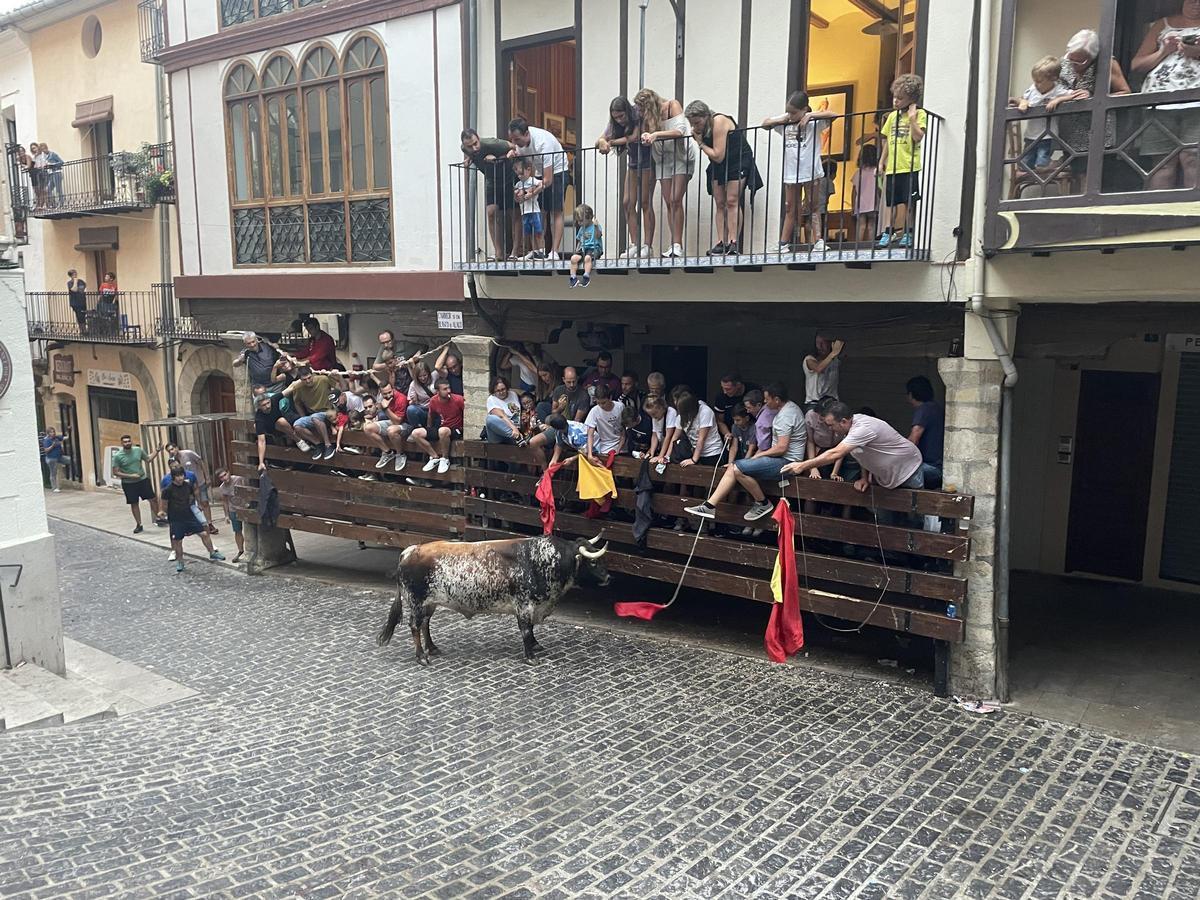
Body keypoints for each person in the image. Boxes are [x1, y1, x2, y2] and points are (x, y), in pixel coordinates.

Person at [685, 383, 807, 521]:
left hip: (787, 462)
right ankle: (710, 506)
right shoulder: (789, 406)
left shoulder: (786, 416)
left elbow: (781, 448)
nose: (765, 403)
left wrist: (758, 456)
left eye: (767, 399)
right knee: (735, 468)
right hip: (781, 458)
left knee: (737, 467)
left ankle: (762, 503)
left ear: (777, 400)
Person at [784, 401, 925, 503]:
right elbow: (862, 453)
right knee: (884, 517)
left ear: (843, 421)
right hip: (886, 477)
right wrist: (864, 477)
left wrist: (802, 465)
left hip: (908, 469)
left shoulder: (862, 428)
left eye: (831, 425)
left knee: (916, 512)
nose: (830, 429)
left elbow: (835, 454)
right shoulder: (849, 429)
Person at [1130, 1, 1200, 191]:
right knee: (1162, 162)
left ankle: (1192, 213)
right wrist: (1164, 51)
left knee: (1193, 157)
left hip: (1196, 102)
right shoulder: (1163, 24)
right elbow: (1136, 64)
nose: (1196, 3)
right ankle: (1157, 215)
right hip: (1159, 102)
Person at [1054, 29, 1132, 186]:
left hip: (1097, 131)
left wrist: (1094, 98)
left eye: (1080, 62)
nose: (1074, 65)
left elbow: (1125, 92)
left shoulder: (1106, 64)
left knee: (1095, 179)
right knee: (1077, 176)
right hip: (1070, 132)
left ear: (1092, 57)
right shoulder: (1062, 63)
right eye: (1071, 59)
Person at [763, 91, 838, 253]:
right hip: (791, 173)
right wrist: (781, 119)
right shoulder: (786, 121)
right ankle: (783, 243)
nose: (790, 115)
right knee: (790, 207)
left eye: (794, 112)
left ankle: (818, 240)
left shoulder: (814, 122)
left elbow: (834, 115)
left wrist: (810, 116)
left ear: (804, 109)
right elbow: (765, 124)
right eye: (788, 112)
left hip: (811, 171)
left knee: (813, 205)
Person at [686, 100, 760, 256]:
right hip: (719, 165)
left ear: (706, 116)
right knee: (720, 203)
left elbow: (718, 155)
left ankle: (733, 242)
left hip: (737, 161)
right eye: (692, 124)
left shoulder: (718, 121)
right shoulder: (703, 127)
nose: (695, 127)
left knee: (732, 200)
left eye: (698, 122)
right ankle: (721, 242)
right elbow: (716, 159)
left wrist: (700, 143)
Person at [635, 88, 696, 259]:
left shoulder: (672, 105)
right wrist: (647, 138)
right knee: (669, 201)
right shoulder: (650, 118)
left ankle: (678, 245)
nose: (643, 113)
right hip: (662, 159)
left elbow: (679, 131)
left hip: (680, 156)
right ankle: (674, 244)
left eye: (644, 108)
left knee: (676, 199)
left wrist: (655, 134)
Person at [597, 96, 655, 259]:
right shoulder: (615, 123)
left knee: (645, 201)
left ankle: (647, 245)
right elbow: (600, 139)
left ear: (627, 112)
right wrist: (603, 141)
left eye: (621, 116)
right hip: (633, 163)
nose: (619, 120)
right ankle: (634, 243)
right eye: (616, 118)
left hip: (648, 161)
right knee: (627, 202)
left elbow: (634, 137)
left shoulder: (637, 114)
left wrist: (610, 142)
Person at [506, 116, 568, 259]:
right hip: (541, 171)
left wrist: (531, 192)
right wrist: (513, 154)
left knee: (555, 211)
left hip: (558, 170)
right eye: (512, 140)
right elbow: (525, 169)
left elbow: (548, 180)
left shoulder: (543, 143)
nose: (514, 143)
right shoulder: (520, 145)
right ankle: (539, 250)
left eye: (516, 139)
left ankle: (554, 251)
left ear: (526, 134)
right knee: (540, 212)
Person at [877, 75, 927, 250]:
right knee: (891, 203)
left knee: (908, 202)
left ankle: (908, 232)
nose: (896, 101)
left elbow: (918, 137)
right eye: (894, 97)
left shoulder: (920, 114)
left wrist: (912, 119)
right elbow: (888, 142)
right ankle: (888, 232)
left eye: (900, 98)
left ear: (911, 99)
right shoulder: (892, 117)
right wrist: (882, 162)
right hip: (892, 168)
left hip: (909, 166)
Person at [460, 128, 516, 261]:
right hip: (491, 180)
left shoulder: (492, 144)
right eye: (470, 146)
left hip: (509, 177)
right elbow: (471, 153)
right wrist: (470, 158)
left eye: (475, 143)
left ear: (479, 138)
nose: (474, 148)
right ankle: (499, 253)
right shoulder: (465, 148)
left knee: (514, 213)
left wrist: (498, 158)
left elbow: (515, 147)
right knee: (491, 212)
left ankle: (515, 252)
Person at [161, 465, 225, 574]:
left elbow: (193, 493)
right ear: (173, 477)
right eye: (177, 476)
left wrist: (193, 504)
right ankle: (180, 561)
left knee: (204, 534)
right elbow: (164, 504)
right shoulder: (168, 490)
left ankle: (212, 552)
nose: (180, 478)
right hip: (176, 519)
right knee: (178, 541)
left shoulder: (188, 485)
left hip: (189, 515)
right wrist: (166, 514)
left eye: (181, 475)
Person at [1012, 56, 1070, 174]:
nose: (1036, 84)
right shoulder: (1033, 89)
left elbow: (1071, 95)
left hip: (1047, 135)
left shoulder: (1057, 90)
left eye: (1039, 81)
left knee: (1041, 164)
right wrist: (1022, 102)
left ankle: (1053, 164)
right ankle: (1047, 166)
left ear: (1054, 78)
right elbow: (1022, 99)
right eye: (1035, 80)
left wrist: (1057, 100)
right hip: (1031, 134)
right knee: (1025, 165)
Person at [112, 435, 166, 532]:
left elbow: (148, 459)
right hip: (128, 483)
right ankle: (139, 524)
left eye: (128, 441)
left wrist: (157, 450)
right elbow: (115, 472)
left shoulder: (138, 450)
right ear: (121, 443)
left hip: (142, 480)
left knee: (153, 499)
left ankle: (160, 518)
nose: (127, 443)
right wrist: (130, 476)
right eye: (125, 442)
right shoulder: (117, 456)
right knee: (134, 503)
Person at [411, 379, 465, 474]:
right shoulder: (434, 400)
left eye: (449, 388)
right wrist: (429, 429)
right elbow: (430, 415)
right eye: (445, 389)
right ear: (437, 391)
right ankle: (434, 457)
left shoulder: (458, 399)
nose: (448, 391)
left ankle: (445, 459)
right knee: (416, 433)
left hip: (456, 429)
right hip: (442, 428)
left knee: (442, 431)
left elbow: (468, 414)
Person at [283, 366, 337, 460]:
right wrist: (303, 417)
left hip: (327, 412)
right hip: (313, 416)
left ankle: (328, 445)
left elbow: (339, 387)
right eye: (304, 379)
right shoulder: (298, 387)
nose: (308, 381)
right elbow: (297, 403)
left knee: (315, 417)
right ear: (300, 380)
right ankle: (318, 444)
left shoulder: (323, 379)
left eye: (309, 378)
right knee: (297, 425)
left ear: (312, 375)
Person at [163, 441, 216, 533]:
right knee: (188, 505)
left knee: (204, 502)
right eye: (169, 451)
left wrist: (207, 477)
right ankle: (192, 525)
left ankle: (209, 523)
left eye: (172, 449)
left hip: (199, 481)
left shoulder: (189, 454)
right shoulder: (173, 461)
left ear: (177, 447)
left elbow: (201, 463)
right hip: (186, 486)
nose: (171, 451)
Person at [906, 375, 945, 488]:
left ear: (911, 394)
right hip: (939, 466)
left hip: (931, 467)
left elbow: (913, 441)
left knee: (890, 472)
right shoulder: (936, 408)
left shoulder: (923, 410)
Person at [673, 391, 729, 467]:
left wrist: (694, 460)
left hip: (712, 452)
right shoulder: (681, 416)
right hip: (695, 452)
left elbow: (701, 438)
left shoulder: (705, 411)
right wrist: (666, 457)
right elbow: (674, 438)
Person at [254, 390, 305, 471]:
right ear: (259, 407)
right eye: (264, 405)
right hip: (274, 431)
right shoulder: (259, 418)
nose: (267, 406)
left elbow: (290, 388)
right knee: (280, 425)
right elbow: (261, 441)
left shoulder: (274, 399)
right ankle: (296, 444)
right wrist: (261, 462)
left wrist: (301, 380)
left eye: (268, 403)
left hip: (287, 424)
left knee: (283, 422)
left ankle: (299, 441)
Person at [583, 383, 625, 464]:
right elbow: (590, 434)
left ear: (610, 398)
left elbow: (624, 431)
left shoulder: (620, 407)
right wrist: (590, 454)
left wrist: (619, 448)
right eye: (598, 403)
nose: (601, 406)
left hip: (621, 446)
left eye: (604, 402)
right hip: (605, 447)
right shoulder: (594, 411)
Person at [512, 156, 543, 260]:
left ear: (528, 170)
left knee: (538, 231)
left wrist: (531, 193)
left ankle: (541, 250)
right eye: (517, 174)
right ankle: (534, 251)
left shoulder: (533, 180)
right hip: (524, 212)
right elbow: (516, 199)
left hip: (534, 210)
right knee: (529, 232)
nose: (519, 176)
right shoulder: (518, 184)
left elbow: (542, 184)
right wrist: (517, 196)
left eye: (521, 173)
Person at [213, 468, 246, 563]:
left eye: (224, 475)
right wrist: (226, 515)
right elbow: (225, 501)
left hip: (244, 507)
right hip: (233, 509)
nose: (224, 478)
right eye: (221, 477)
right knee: (237, 531)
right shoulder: (222, 487)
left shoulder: (238, 479)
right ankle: (240, 550)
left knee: (250, 529)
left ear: (228, 473)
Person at [568, 203, 604, 288]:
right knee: (573, 258)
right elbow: (579, 241)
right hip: (584, 249)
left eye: (581, 220)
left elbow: (598, 236)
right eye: (578, 221)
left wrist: (595, 227)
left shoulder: (596, 226)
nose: (579, 223)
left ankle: (586, 276)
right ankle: (573, 277)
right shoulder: (581, 229)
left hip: (594, 248)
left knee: (588, 258)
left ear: (589, 218)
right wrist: (577, 251)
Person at [804, 333, 843, 407]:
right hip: (814, 403)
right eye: (817, 343)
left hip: (832, 402)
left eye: (823, 343)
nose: (820, 346)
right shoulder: (809, 359)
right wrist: (833, 353)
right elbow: (819, 368)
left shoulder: (835, 360)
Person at [851, 144, 880, 243]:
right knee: (872, 225)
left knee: (861, 225)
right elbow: (879, 188)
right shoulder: (876, 172)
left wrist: (853, 206)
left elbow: (854, 191)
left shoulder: (858, 173)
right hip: (873, 201)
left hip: (860, 203)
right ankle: (870, 245)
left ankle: (858, 246)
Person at [485, 376, 523, 444]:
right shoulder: (491, 399)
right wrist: (514, 429)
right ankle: (518, 438)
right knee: (490, 419)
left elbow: (517, 413)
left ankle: (518, 438)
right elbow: (502, 416)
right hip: (499, 435)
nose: (501, 392)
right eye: (498, 391)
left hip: (516, 430)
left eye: (503, 389)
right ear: (494, 391)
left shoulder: (513, 394)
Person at [41, 426, 65, 492]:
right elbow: (46, 450)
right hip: (51, 459)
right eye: (51, 432)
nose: (53, 433)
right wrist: (52, 446)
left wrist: (69, 431)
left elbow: (65, 438)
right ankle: (54, 488)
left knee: (69, 460)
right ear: (48, 433)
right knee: (53, 473)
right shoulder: (47, 440)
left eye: (54, 431)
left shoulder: (56, 438)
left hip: (59, 457)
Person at [66, 269, 88, 334]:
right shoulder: (69, 283)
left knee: (83, 315)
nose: (75, 275)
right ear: (71, 276)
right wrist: (75, 282)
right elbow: (74, 290)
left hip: (82, 301)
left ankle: (84, 329)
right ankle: (82, 330)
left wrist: (79, 288)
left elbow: (82, 288)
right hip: (75, 303)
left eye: (76, 274)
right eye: (73, 274)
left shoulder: (81, 281)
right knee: (79, 316)